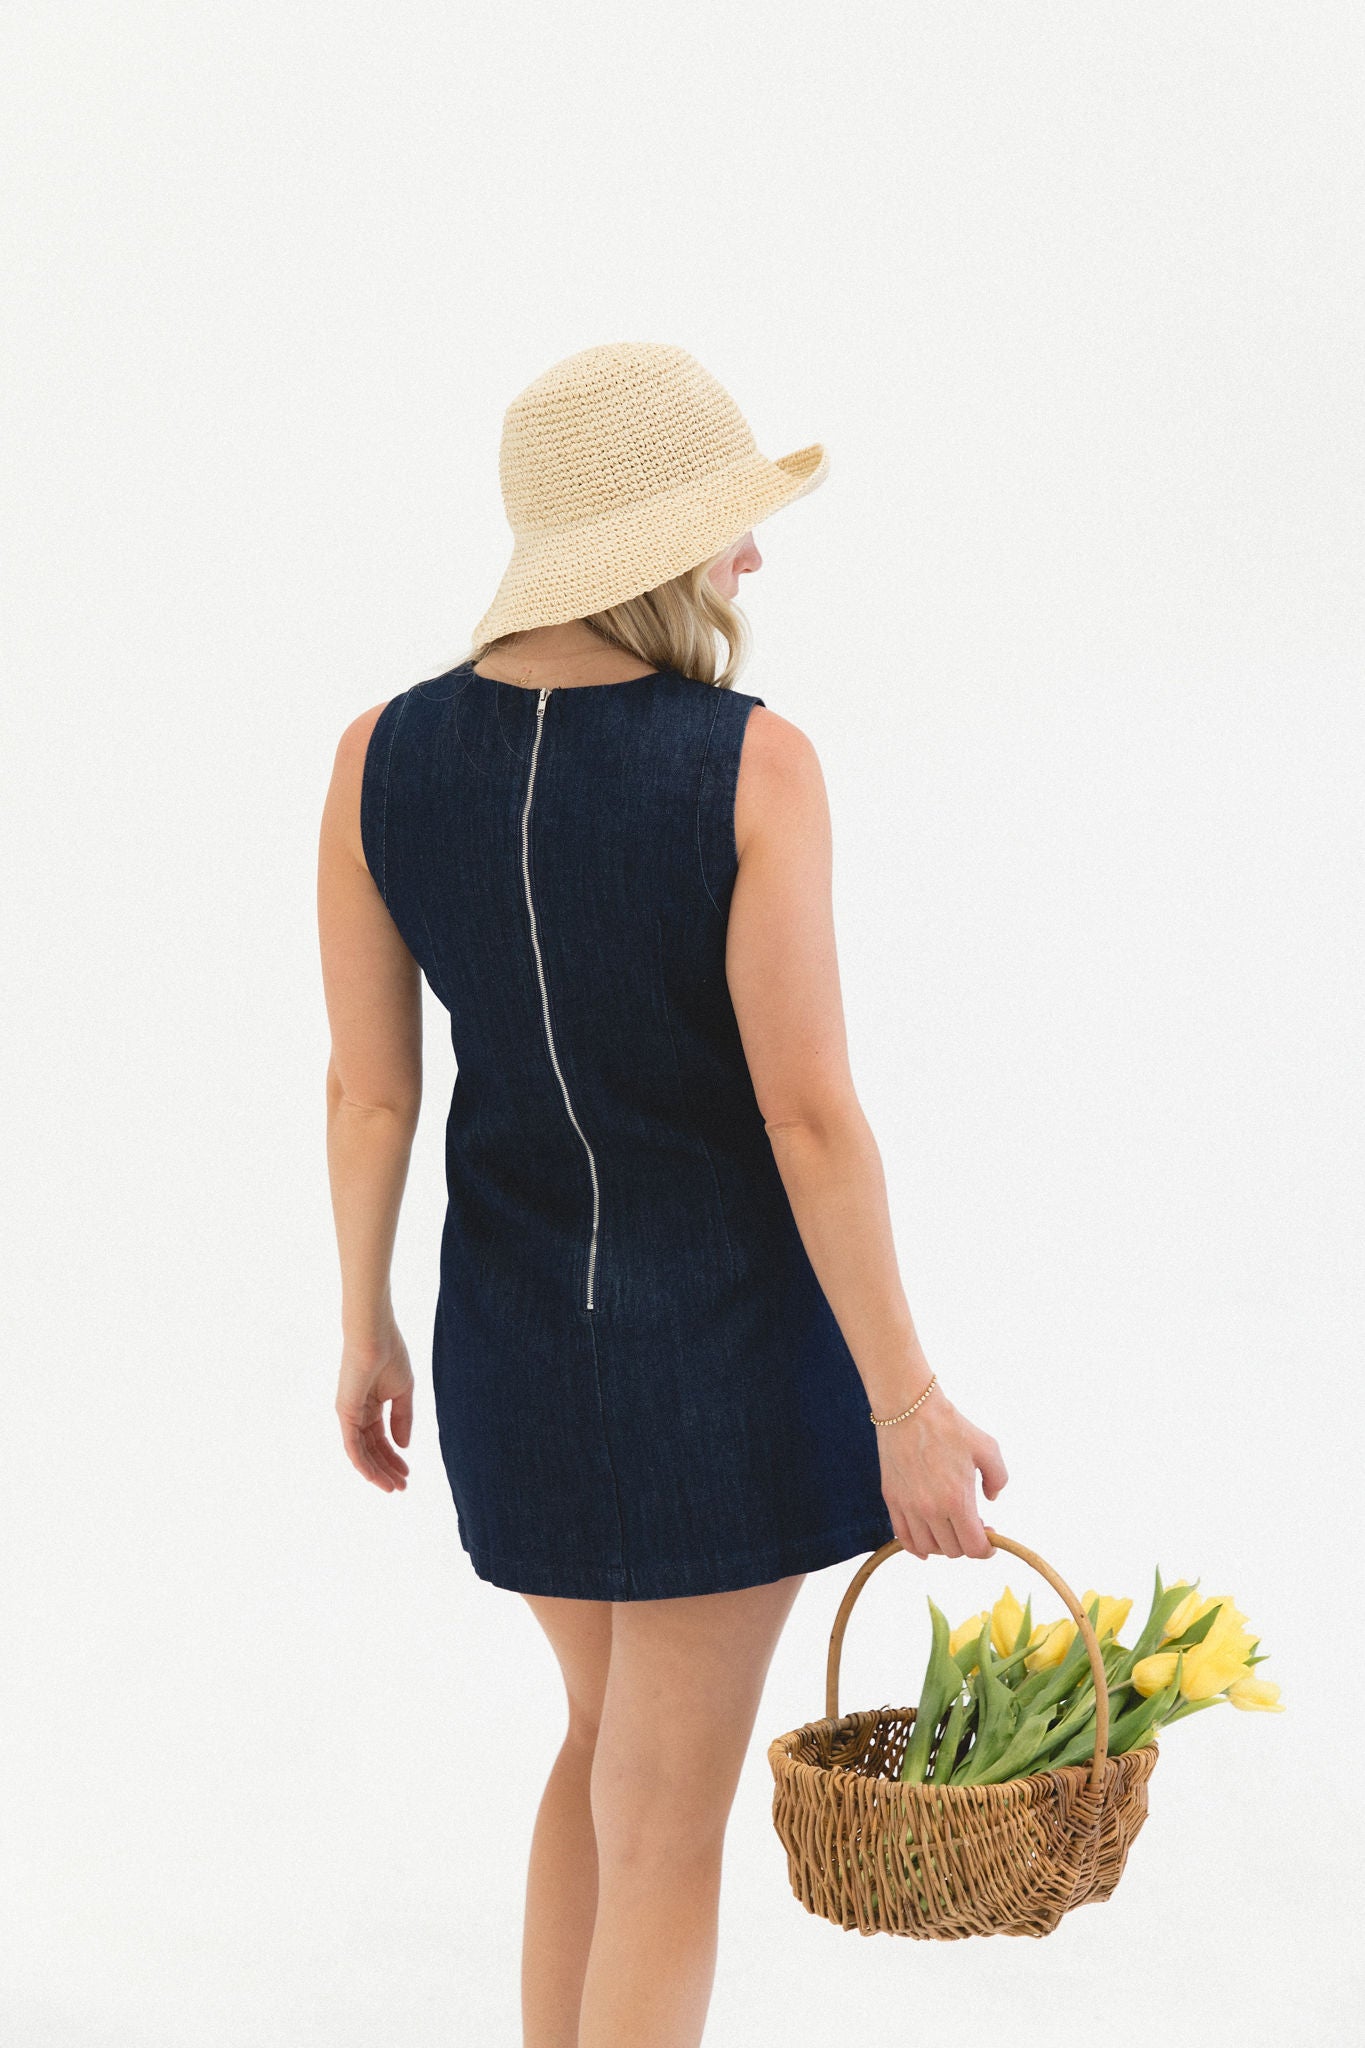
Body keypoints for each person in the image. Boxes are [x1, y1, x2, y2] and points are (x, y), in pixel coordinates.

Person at [316, 341, 1008, 2048]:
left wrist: (364, 1325)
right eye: (724, 522)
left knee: (602, 1753)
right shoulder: (751, 765)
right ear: (645, 546)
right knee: (663, 1815)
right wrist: (906, 1404)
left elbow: (370, 1089)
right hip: (716, 1355)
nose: (750, 556)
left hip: (509, 1341)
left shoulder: (375, 757)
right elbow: (808, 1116)